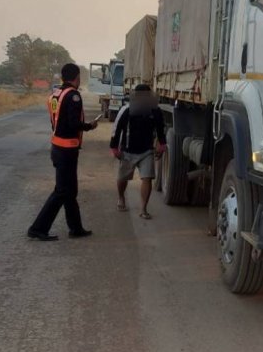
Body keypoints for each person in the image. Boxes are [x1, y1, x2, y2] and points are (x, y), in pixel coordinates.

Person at [28, 63, 98, 241]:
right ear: (77, 77)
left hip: (57, 146)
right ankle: (38, 228)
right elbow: (73, 124)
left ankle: (76, 228)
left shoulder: (56, 94)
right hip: (67, 149)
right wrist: (89, 126)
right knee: (61, 191)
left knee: (70, 190)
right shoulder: (73, 95)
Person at [110, 84, 166, 219]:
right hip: (128, 151)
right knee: (122, 178)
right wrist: (114, 148)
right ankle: (121, 197)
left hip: (146, 151)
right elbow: (116, 130)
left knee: (147, 178)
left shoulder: (155, 111)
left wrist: (162, 145)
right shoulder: (126, 110)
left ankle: (143, 209)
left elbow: (160, 129)